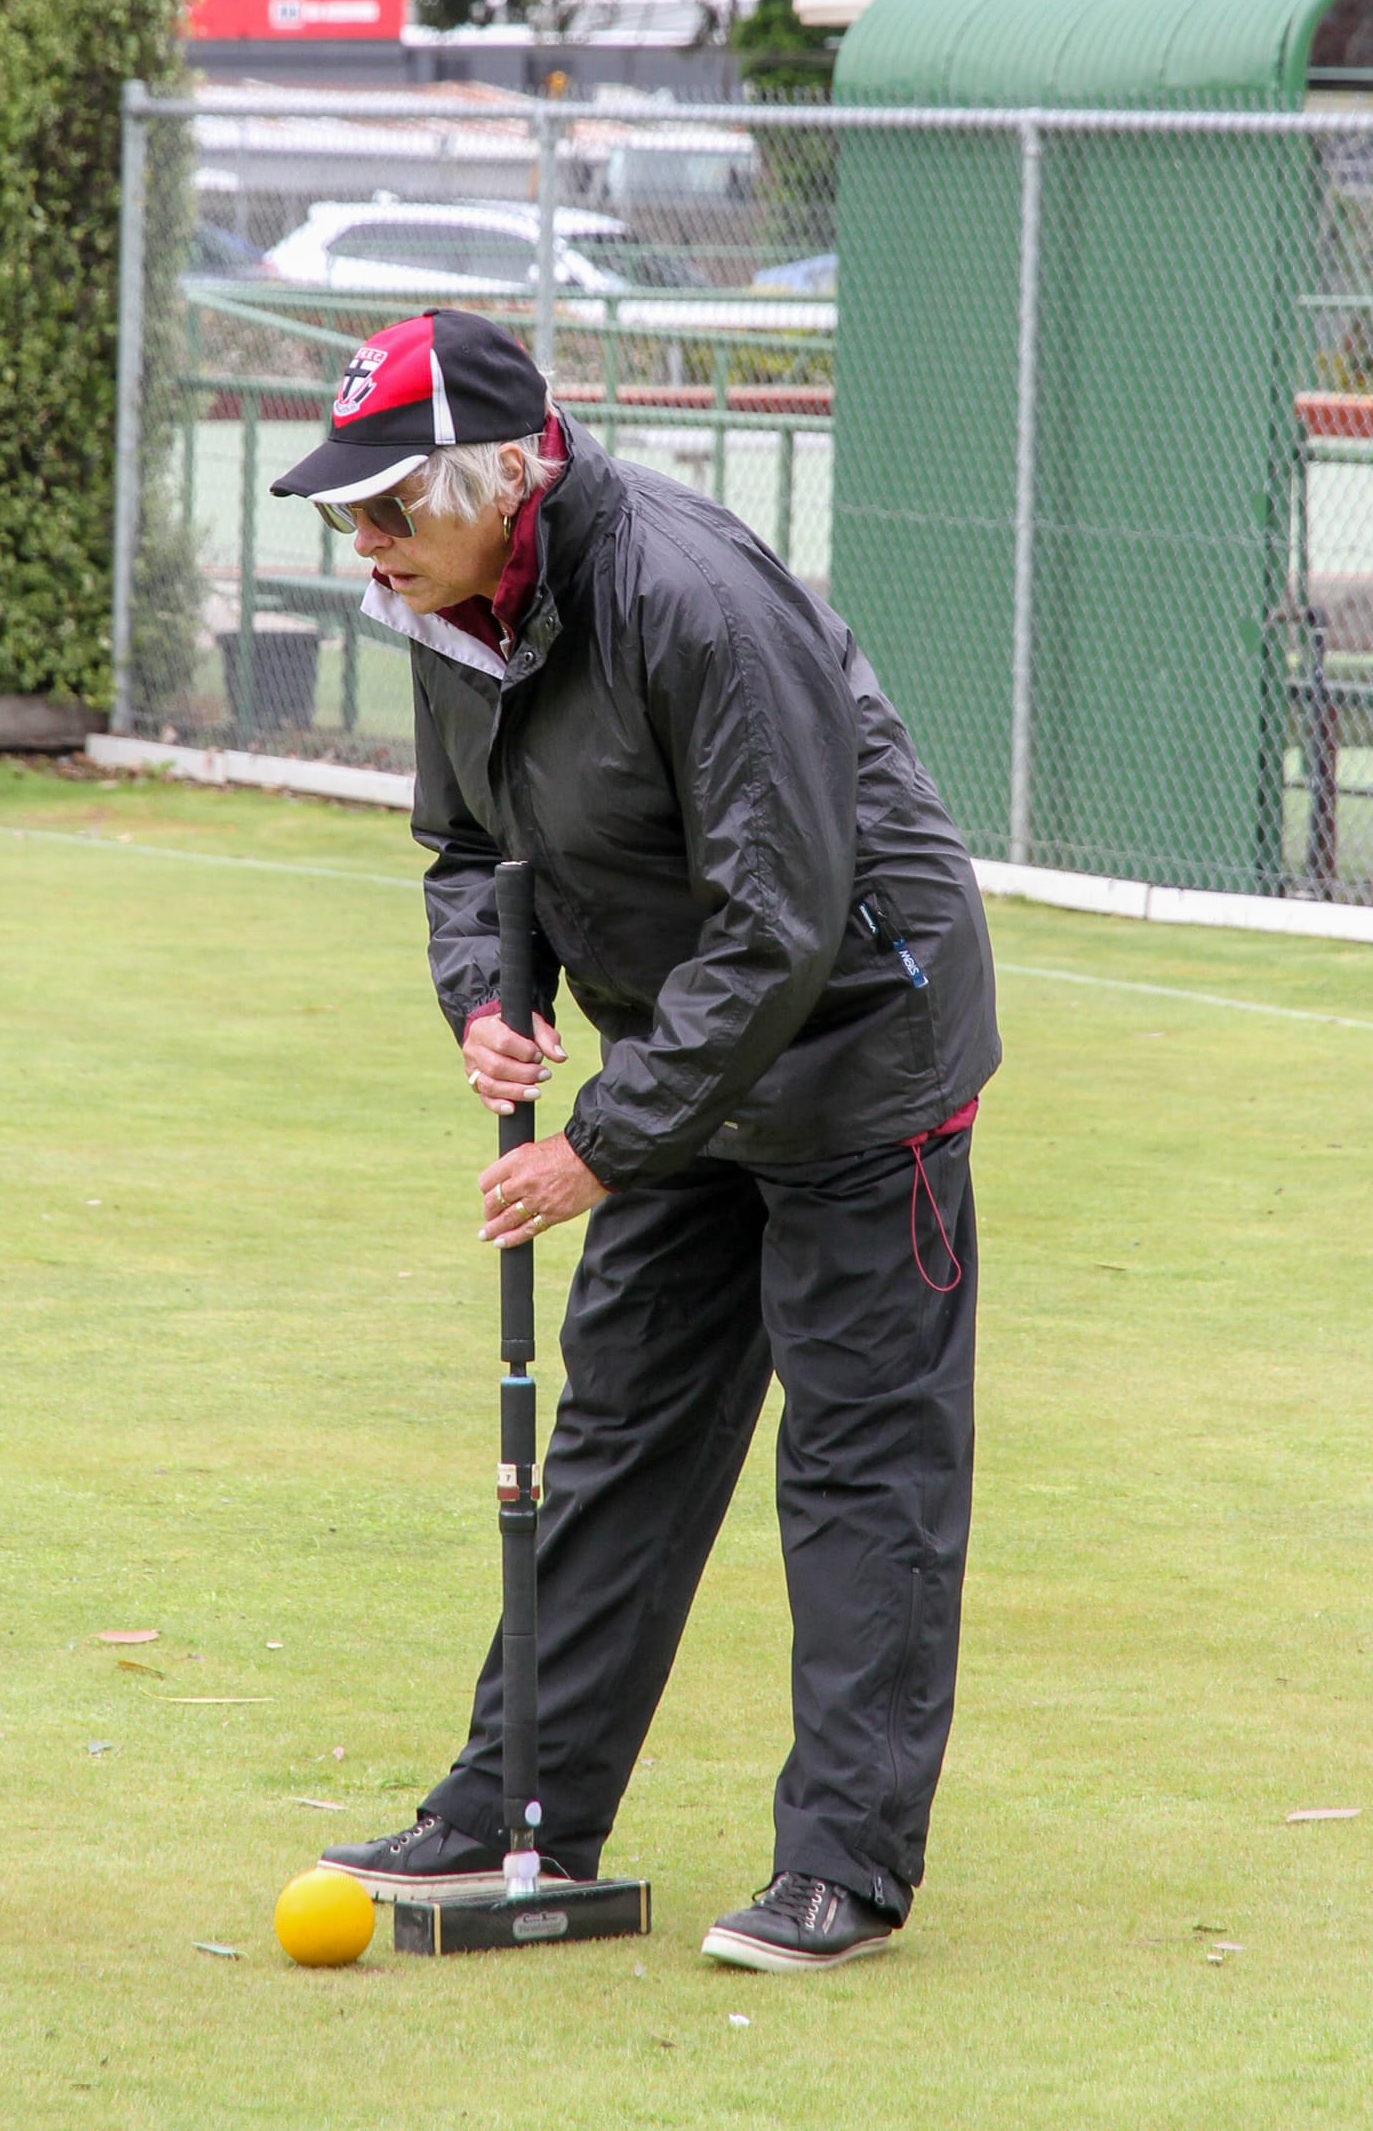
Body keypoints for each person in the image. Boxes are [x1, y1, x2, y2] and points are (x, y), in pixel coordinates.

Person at [269, 308, 1000, 1973]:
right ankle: (516, 1802)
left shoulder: (692, 599)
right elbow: (468, 852)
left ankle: (843, 1864)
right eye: (346, 519)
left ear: (506, 479)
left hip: (857, 1045)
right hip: (689, 1052)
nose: (366, 550)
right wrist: (485, 1000)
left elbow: (785, 916)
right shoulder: (452, 604)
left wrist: (598, 1139)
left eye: (389, 510)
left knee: (860, 1459)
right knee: (616, 1431)